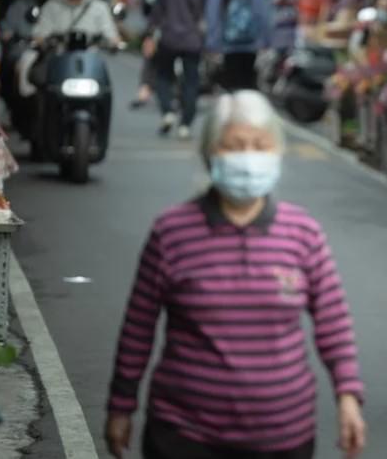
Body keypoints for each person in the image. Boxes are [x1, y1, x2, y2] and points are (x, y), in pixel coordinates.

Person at [105, 90, 366, 459]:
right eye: (234, 146)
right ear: (210, 154)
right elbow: (138, 328)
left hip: (284, 436)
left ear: (276, 153)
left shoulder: (303, 233)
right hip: (183, 434)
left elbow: (334, 324)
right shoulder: (171, 232)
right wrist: (121, 405)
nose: (248, 157)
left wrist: (348, 397)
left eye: (260, 145)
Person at [145, 0, 209, 140]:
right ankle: (185, 125)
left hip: (169, 38)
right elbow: (206, 15)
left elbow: (156, 12)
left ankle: (168, 112)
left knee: (163, 77)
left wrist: (149, 33)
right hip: (192, 40)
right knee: (192, 82)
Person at [206, 0, 272, 90]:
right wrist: (265, 42)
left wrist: (213, 45)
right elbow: (263, 15)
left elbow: (213, 18)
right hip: (251, 45)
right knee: (249, 87)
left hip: (228, 46)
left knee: (231, 88)